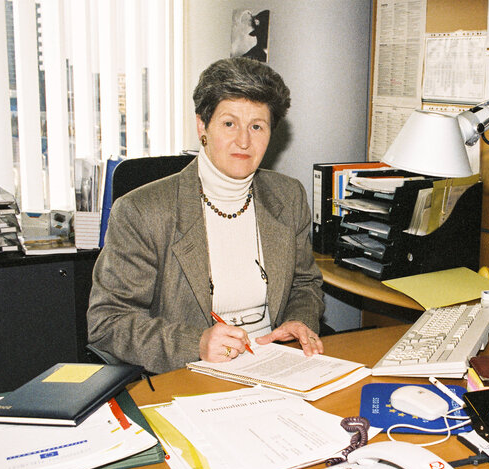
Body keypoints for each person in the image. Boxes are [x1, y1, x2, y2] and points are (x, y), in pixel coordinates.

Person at [87, 57, 325, 374]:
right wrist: (196, 344)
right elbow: (108, 322)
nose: (244, 141)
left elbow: (305, 284)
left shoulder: (289, 196)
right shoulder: (142, 211)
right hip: (188, 378)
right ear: (203, 125)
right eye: (229, 124)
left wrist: (299, 320)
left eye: (257, 126)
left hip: (275, 370)